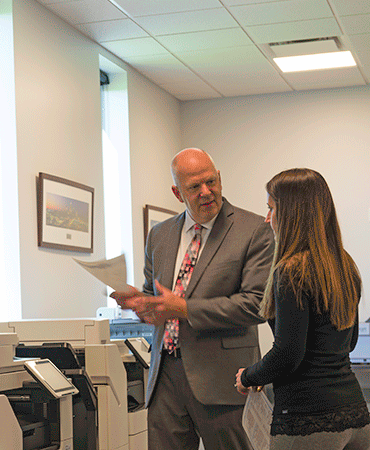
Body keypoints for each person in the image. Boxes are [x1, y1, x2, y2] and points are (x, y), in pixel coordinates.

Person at [111, 148, 274, 450]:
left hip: (225, 378)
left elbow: (256, 305)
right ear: (177, 192)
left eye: (211, 182)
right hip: (165, 377)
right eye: (194, 187)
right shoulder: (158, 235)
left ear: (220, 178)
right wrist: (141, 306)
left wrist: (183, 308)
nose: (206, 192)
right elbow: (156, 300)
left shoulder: (254, 230)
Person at [235, 168, 370, 449]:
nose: (267, 218)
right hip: (356, 417)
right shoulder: (345, 266)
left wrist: (248, 376)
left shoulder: (291, 271)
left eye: (271, 209)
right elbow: (350, 341)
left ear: (292, 214)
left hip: (308, 421)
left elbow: (288, 354)